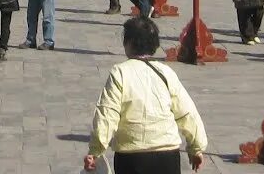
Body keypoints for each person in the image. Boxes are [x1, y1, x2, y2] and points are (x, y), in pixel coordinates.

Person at [84, 15, 207, 173]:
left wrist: (96, 150)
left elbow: (107, 114)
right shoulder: (166, 72)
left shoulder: (120, 72)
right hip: (167, 155)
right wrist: (196, 148)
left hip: (132, 157)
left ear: (128, 43)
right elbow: (187, 112)